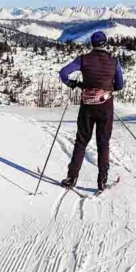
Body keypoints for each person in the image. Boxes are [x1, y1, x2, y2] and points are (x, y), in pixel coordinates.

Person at [57, 31, 125, 191]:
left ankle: (71, 177)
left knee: (81, 141)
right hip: (105, 106)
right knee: (103, 143)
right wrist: (108, 89)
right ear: (105, 44)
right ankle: (102, 181)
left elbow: (63, 73)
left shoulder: (83, 59)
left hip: (87, 106)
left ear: (92, 44)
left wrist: (73, 84)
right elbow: (120, 85)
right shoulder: (113, 62)